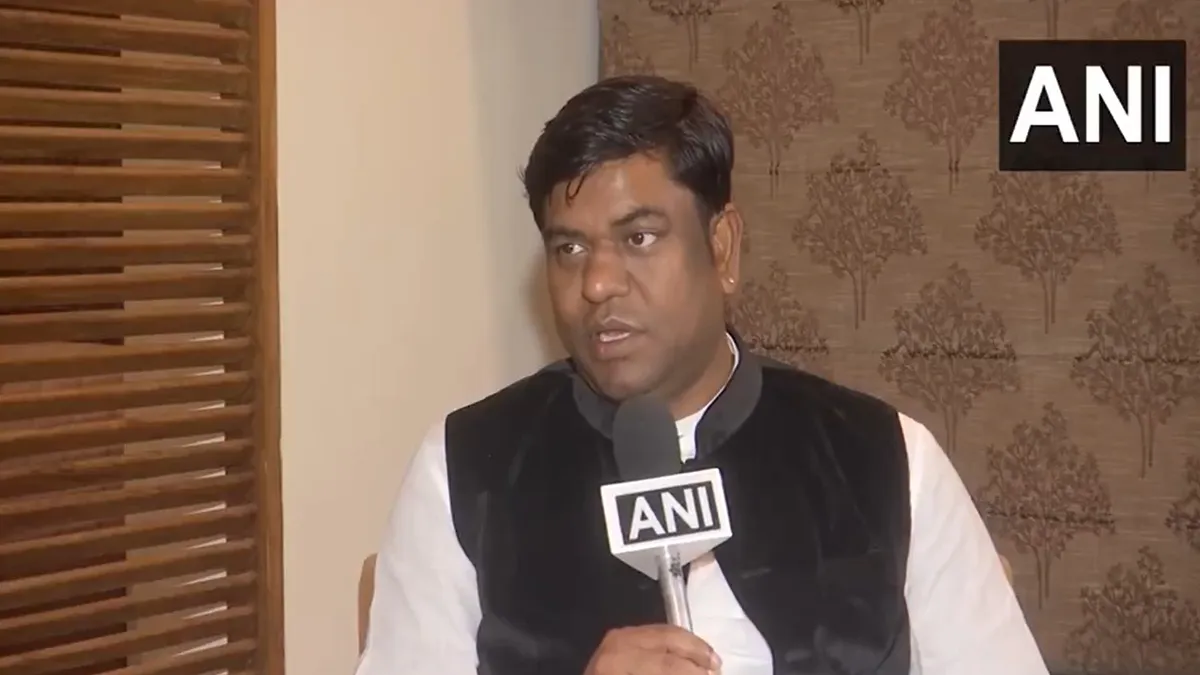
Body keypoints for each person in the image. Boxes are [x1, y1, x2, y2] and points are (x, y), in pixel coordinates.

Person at [355, 75, 1049, 675]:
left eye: (639, 237)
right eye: (569, 248)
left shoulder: (886, 458)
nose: (597, 283)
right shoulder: (465, 470)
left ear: (721, 248)